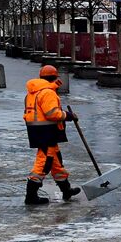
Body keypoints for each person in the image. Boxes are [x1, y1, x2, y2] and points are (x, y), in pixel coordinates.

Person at [23, 64, 79, 205]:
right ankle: (31, 195)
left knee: (56, 163)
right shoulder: (47, 92)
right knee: (44, 163)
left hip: (38, 131)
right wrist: (68, 115)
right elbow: (52, 114)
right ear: (54, 78)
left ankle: (66, 190)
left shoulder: (33, 92)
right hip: (46, 132)